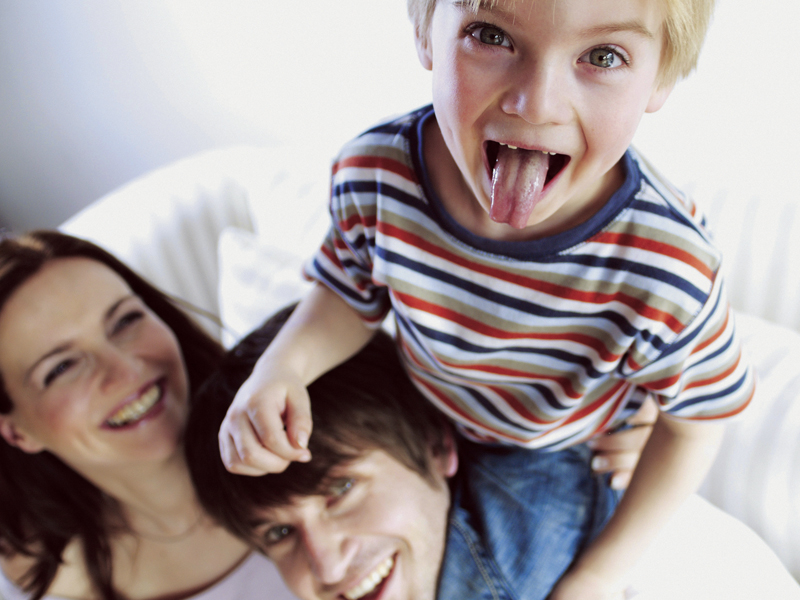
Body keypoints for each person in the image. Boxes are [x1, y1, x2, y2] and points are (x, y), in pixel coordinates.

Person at [219, 0, 756, 597]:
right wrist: (284, 368)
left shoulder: (666, 266)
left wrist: (596, 578)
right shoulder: (375, 172)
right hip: (423, 408)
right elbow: (347, 294)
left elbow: (699, 423)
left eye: (602, 56)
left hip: (555, 446)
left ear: (660, 77)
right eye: (490, 35)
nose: (536, 103)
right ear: (426, 33)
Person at [191, 309, 798, 600]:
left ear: (437, 445)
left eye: (342, 489)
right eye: (276, 533)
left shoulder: (578, 502)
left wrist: (627, 414)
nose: (324, 567)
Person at [0, 231, 295, 600]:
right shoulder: (30, 582)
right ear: (15, 432)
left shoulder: (311, 434)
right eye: (61, 368)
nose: (126, 370)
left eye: (124, 321)